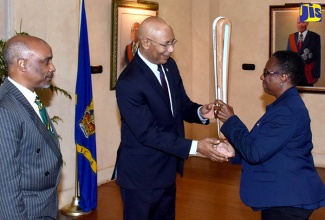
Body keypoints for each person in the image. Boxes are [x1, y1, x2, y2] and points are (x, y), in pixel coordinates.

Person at [112, 16, 233, 220]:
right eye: (166, 44)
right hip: (141, 176)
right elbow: (148, 134)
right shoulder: (129, 83)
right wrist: (196, 147)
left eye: (172, 42)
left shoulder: (169, 66)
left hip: (167, 169)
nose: (170, 50)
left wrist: (201, 112)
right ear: (146, 42)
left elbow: (181, 105)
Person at [215, 50, 325, 220]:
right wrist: (235, 152)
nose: (262, 77)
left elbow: (255, 152)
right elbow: (266, 147)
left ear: (284, 77)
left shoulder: (287, 111)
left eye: (267, 73)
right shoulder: (284, 106)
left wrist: (230, 120)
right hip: (282, 195)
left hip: (288, 199)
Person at [0, 35, 62, 219]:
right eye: (46, 61)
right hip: (27, 211)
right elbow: (7, 184)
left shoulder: (27, 99)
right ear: (22, 65)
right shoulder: (6, 109)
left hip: (44, 207)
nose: (52, 68)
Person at [287, 17, 321, 86]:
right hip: (294, 74)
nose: (301, 25)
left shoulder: (314, 37)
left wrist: (316, 75)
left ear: (307, 23)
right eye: (298, 23)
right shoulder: (291, 37)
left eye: (303, 22)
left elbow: (317, 57)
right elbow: (288, 57)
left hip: (308, 74)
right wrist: (288, 72)